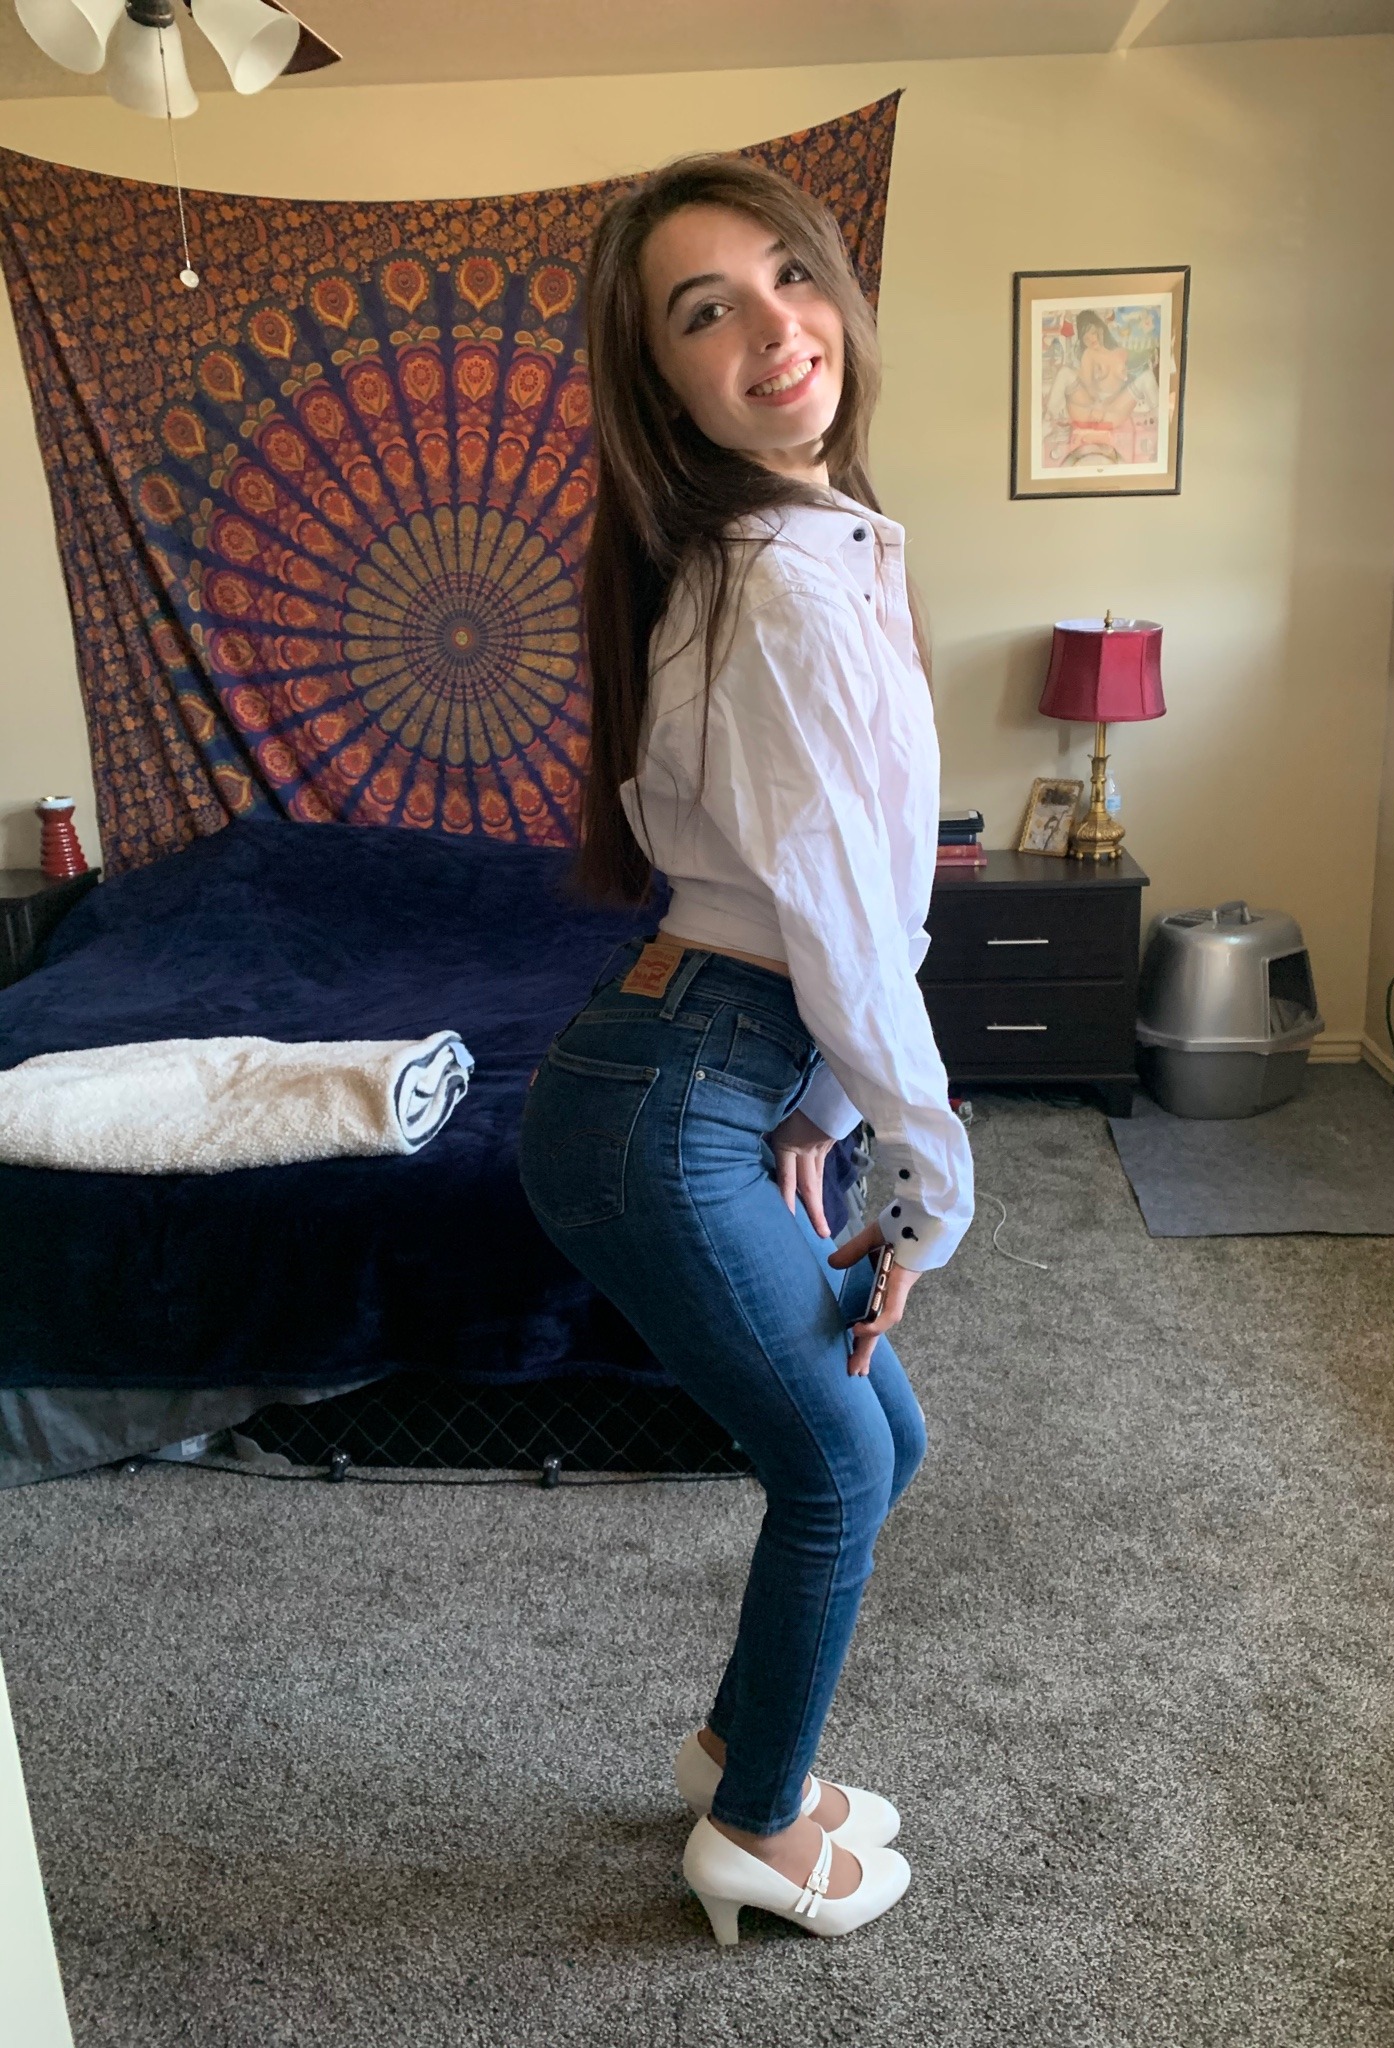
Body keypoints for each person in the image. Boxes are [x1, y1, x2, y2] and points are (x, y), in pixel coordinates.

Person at [516, 151, 975, 1945]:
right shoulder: (779, 580)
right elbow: (847, 922)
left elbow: (822, 896)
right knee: (838, 1463)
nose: (775, 328)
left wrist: (816, 1106)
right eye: (707, 312)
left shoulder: (796, 551)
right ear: (665, 382)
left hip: (706, 1066)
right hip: (670, 1094)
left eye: (790, 275)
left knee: (879, 1437)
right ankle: (755, 1833)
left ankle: (736, 1749)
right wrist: (922, 1174)